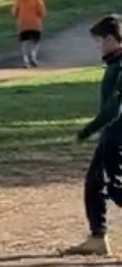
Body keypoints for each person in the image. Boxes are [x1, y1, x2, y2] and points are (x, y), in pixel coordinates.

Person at [64, 15, 122, 257]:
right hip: (111, 137)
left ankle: (98, 237)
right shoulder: (115, 64)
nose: (97, 46)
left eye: (99, 41)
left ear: (111, 39)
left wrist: (86, 131)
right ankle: (97, 238)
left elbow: (114, 110)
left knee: (116, 189)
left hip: (117, 138)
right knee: (95, 184)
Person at [11, 0, 47, 67]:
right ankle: (33, 56)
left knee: (24, 42)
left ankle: (25, 60)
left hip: (23, 24)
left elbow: (14, 12)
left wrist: (19, 17)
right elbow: (42, 12)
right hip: (35, 24)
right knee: (35, 41)